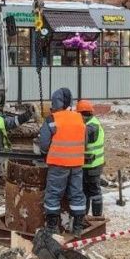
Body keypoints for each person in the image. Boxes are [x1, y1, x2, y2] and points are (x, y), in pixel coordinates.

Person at [38, 87, 87, 235]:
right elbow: (84, 141)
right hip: (77, 164)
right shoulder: (79, 118)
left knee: (53, 194)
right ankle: (77, 227)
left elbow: (44, 144)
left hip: (58, 164)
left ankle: (52, 227)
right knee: (77, 193)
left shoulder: (52, 119)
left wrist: (45, 153)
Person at [77, 99, 105, 218]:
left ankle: (96, 217)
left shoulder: (90, 127)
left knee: (93, 192)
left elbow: (81, 142)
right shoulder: (93, 123)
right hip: (92, 164)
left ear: (82, 114)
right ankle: (88, 217)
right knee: (87, 192)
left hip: (91, 165)